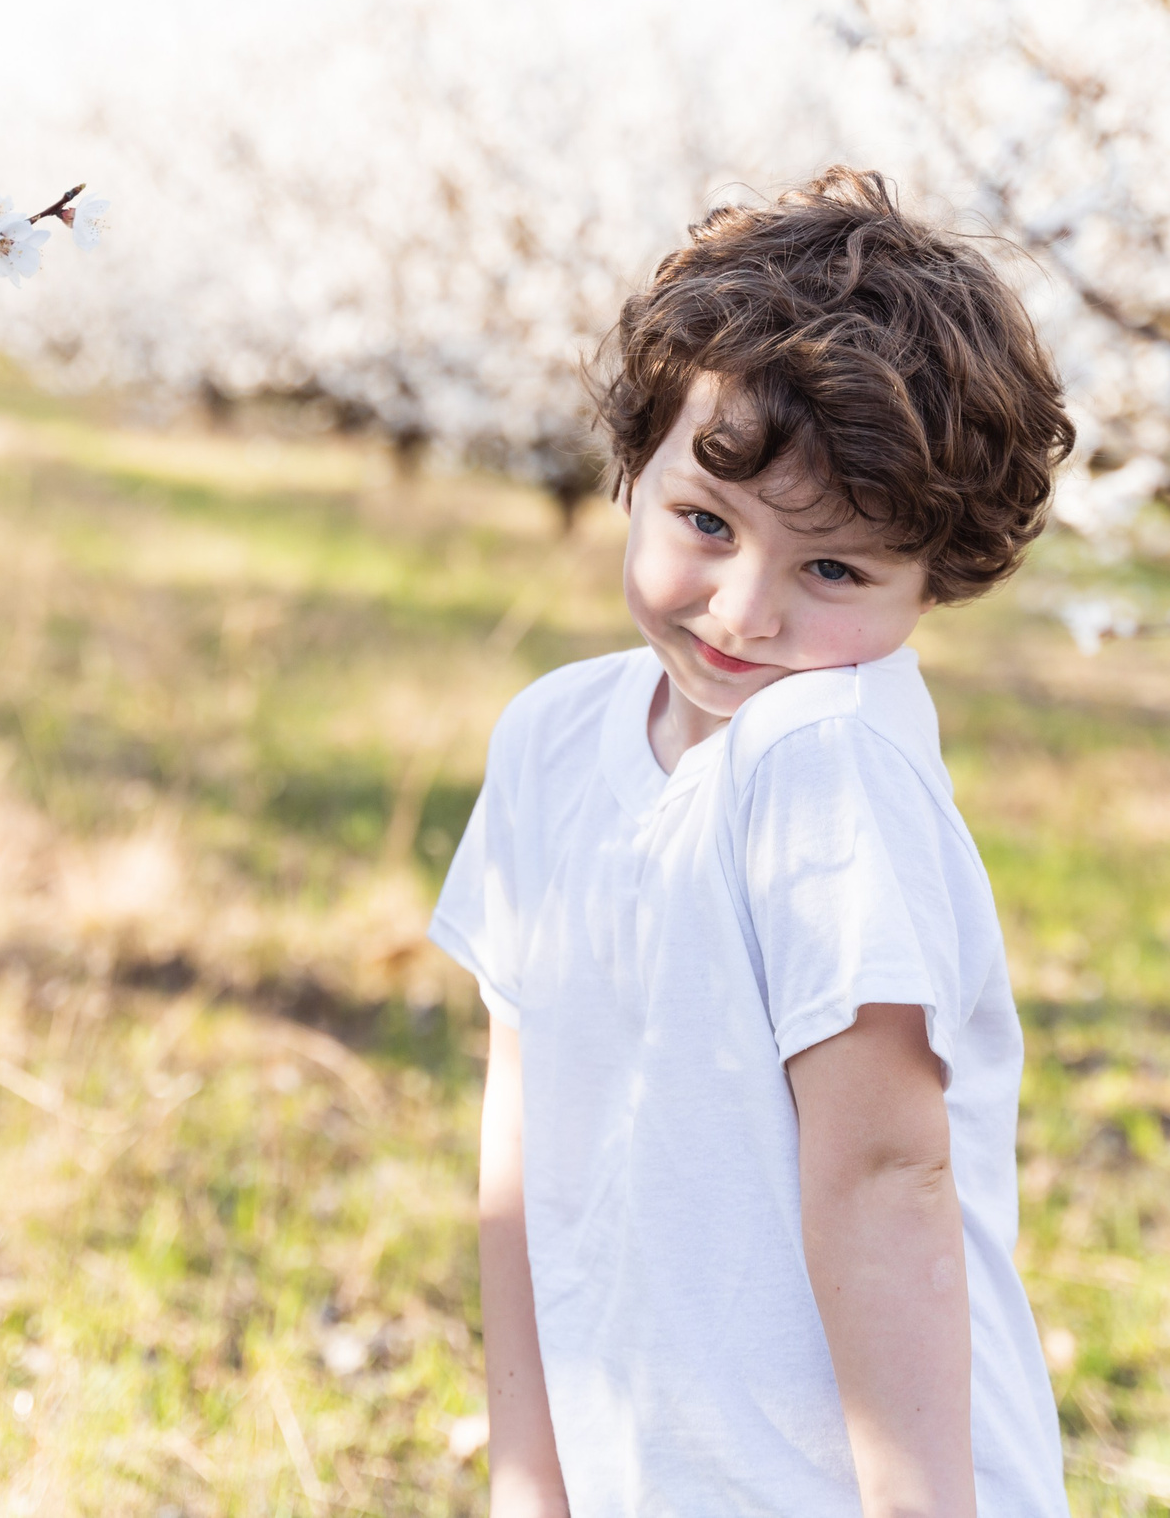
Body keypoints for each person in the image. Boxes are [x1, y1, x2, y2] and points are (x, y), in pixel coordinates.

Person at [429, 168, 1076, 1518]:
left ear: (934, 580)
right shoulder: (554, 738)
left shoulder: (822, 760)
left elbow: (886, 1174)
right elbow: (522, 1133)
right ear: (635, 466)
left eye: (832, 568)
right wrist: (531, 1479)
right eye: (705, 524)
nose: (743, 611)